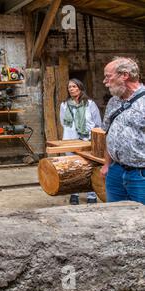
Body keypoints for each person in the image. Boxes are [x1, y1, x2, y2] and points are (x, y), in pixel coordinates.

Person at [101, 57, 145, 204]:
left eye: (108, 76)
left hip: (140, 175)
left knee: (141, 221)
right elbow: (107, 133)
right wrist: (107, 164)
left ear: (124, 75)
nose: (105, 81)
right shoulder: (114, 101)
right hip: (115, 172)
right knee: (115, 219)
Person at [59, 78, 102, 205]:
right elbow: (63, 123)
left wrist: (87, 132)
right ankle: (74, 193)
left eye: (74, 86)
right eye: (69, 87)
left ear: (80, 88)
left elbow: (97, 123)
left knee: (90, 167)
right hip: (70, 140)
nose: (71, 89)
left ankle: (91, 194)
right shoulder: (64, 105)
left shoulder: (90, 103)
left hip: (87, 139)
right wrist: (73, 130)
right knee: (72, 167)